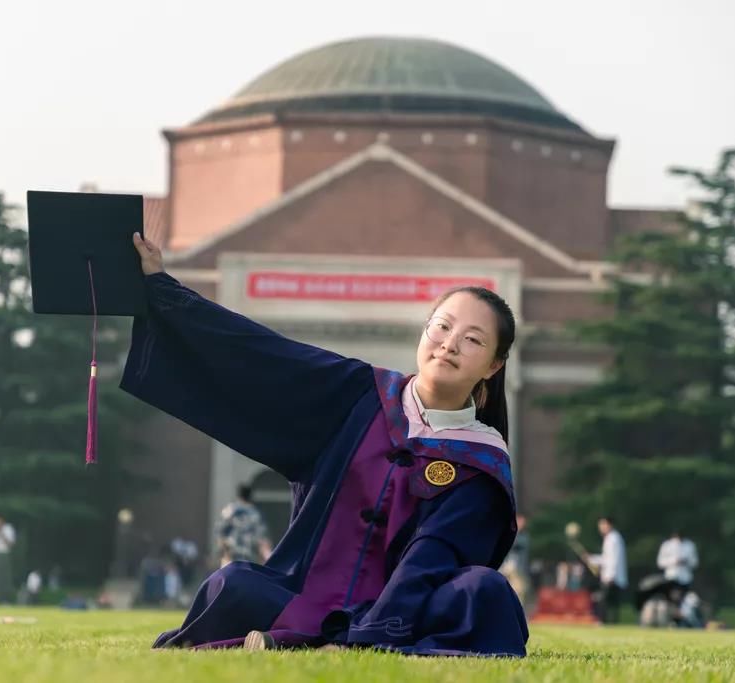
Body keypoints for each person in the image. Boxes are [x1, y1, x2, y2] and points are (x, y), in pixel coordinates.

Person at [119, 234, 526, 656]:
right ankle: (311, 637)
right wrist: (162, 290)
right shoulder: (361, 395)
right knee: (232, 583)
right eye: (442, 325)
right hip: (311, 594)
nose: (450, 343)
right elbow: (262, 356)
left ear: (494, 365)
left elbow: (433, 557)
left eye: (473, 339)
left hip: (412, 606)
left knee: (485, 593)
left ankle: (312, 641)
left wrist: (371, 633)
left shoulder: (479, 460)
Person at [216, 484, 272, 567]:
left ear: (238, 496)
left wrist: (224, 555)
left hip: (231, 561)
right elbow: (262, 540)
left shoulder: (229, 511)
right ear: (250, 497)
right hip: (249, 561)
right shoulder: (256, 514)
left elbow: (220, 534)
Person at [585, 516, 628, 624]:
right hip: (610, 576)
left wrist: (611, 576)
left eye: (603, 525)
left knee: (607, 602)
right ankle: (606, 622)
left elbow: (613, 559)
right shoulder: (610, 538)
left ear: (609, 525)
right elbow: (606, 558)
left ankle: (604, 621)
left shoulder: (613, 539)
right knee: (608, 602)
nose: (601, 527)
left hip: (612, 577)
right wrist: (592, 558)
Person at [657, 530, 698, 594]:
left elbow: (695, 563)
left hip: (685, 578)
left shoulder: (690, 545)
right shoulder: (666, 545)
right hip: (671, 577)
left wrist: (686, 562)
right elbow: (660, 563)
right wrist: (673, 561)